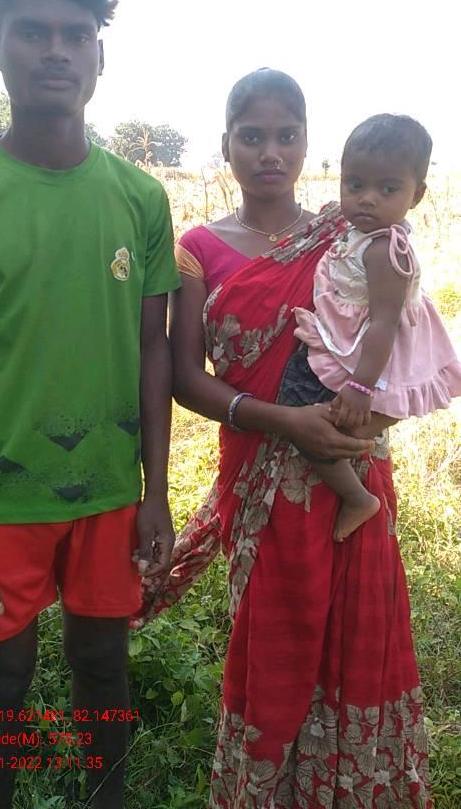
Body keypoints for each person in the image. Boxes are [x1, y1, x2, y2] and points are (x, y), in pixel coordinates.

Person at [0, 0, 180, 809]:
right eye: (33, 32)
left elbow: (153, 348)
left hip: (109, 491)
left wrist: (155, 490)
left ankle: (106, 798)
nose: (56, 51)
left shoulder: (139, 199)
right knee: (2, 677)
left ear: (100, 57)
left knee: (103, 664)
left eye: (76, 35)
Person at [134, 69, 433, 807]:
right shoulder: (197, 249)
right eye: (252, 136)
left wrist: (364, 419)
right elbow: (185, 378)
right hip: (261, 482)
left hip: (350, 470)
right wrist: (285, 421)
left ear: (306, 145)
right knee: (275, 644)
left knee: (354, 642)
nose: (270, 152)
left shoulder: (348, 232)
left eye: (286, 136)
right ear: (225, 146)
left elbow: (401, 331)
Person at [279, 113, 461, 542]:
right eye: (355, 184)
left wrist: (361, 386)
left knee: (300, 406)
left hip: (367, 352)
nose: (367, 199)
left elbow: (384, 323)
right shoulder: (357, 233)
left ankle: (358, 496)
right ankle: (368, 428)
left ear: (417, 195)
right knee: (318, 415)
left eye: (388, 189)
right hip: (353, 341)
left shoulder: (383, 249)